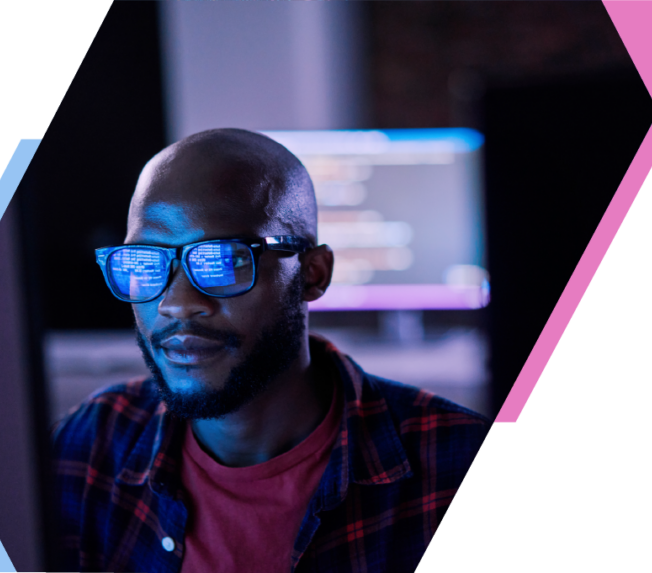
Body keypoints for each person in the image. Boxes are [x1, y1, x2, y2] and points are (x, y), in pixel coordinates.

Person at [49, 128, 491, 573]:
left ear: (313, 274)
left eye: (224, 260)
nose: (177, 302)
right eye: (144, 263)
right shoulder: (88, 447)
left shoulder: (462, 465)